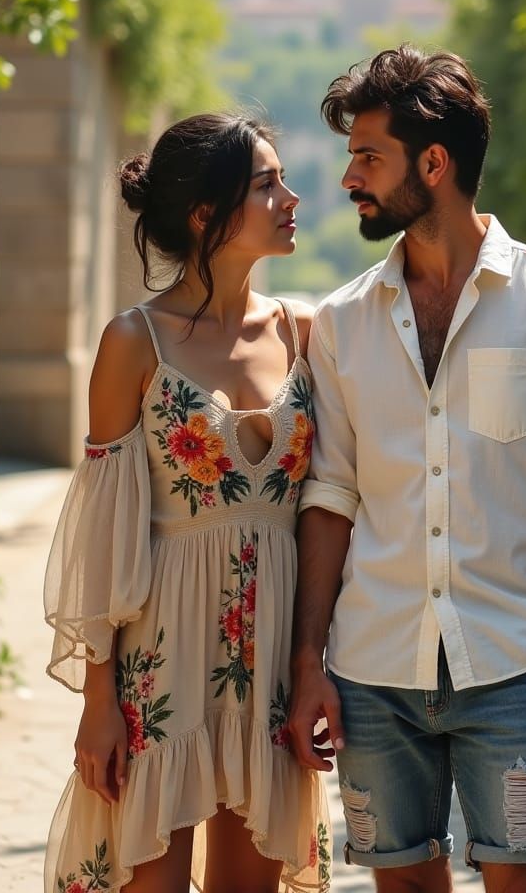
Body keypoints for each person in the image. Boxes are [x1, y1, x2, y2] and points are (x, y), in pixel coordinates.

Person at [289, 45, 526, 893]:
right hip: (372, 673)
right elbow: (330, 500)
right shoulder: (341, 323)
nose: (350, 181)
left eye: (368, 157)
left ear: (434, 164)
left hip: (512, 671)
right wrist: (309, 665)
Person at [43, 113, 331, 893]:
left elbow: (409, 312)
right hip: (161, 661)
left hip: (268, 660)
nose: (291, 197)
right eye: (267, 184)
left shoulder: (306, 332)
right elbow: (106, 531)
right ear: (205, 214)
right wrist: (98, 703)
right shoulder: (134, 341)